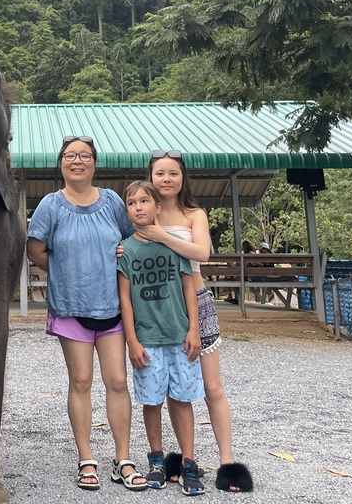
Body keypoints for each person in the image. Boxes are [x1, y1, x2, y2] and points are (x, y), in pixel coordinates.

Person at [26, 135, 148, 492]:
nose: (76, 160)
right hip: (71, 307)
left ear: (94, 163)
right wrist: (65, 271)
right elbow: (35, 248)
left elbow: (133, 239)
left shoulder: (112, 202)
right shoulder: (50, 205)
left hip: (112, 307)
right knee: (80, 381)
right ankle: (86, 458)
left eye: (84, 155)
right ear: (61, 163)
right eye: (69, 155)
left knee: (118, 381)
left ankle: (123, 459)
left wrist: (123, 256)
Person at [132, 149, 254, 494]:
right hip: (161, 307)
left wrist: (161, 235)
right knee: (173, 388)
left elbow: (202, 253)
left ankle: (227, 463)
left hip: (196, 301)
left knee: (212, 387)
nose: (166, 179)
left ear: (182, 177)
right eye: (159, 173)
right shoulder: (143, 213)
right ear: (150, 177)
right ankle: (185, 459)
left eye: (173, 173)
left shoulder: (194, 214)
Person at [117, 181, 205, 495]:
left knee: (182, 399)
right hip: (148, 340)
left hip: (180, 336)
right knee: (151, 401)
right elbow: (125, 299)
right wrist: (132, 341)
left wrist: (194, 329)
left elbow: (188, 288)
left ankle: (188, 463)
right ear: (127, 211)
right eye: (131, 203)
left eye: (144, 201)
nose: (138, 207)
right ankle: (156, 461)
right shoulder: (125, 250)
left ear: (157, 207)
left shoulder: (174, 245)